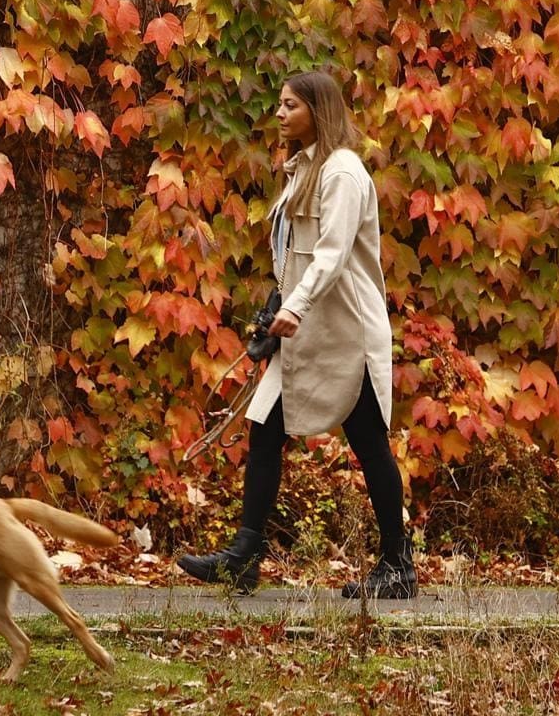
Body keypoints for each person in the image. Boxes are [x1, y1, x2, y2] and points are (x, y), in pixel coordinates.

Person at [178, 70, 417, 599]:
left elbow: (331, 255)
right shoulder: (303, 169)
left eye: (290, 105)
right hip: (305, 333)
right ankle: (244, 557)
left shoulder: (343, 173)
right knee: (264, 428)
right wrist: (277, 309)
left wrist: (298, 307)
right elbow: (295, 256)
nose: (280, 114)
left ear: (318, 109)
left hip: (344, 334)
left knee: (369, 444)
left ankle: (398, 566)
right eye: (280, 105)